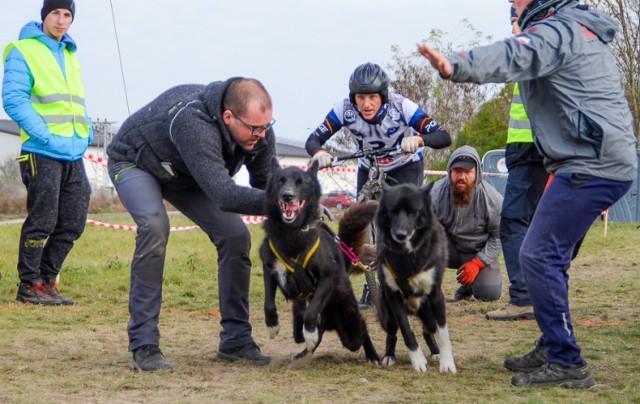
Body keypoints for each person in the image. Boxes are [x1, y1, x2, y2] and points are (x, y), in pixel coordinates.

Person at [418, 0, 637, 389]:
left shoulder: (556, 30)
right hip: (594, 158)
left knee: (537, 255)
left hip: (589, 163)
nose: (511, 6)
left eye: (515, 2)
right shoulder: (576, 26)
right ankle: (554, 344)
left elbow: (515, 51)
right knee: (552, 258)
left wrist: (458, 64)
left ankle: (567, 361)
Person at [106, 78, 277, 372]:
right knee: (155, 226)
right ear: (228, 117)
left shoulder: (258, 132)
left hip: (185, 174)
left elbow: (270, 185)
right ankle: (144, 344)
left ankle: (236, 341)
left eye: (266, 127)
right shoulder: (193, 123)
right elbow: (224, 195)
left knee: (235, 234)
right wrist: (281, 203)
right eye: (254, 129)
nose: (261, 136)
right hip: (136, 161)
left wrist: (298, 203)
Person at [305, 62, 452, 309]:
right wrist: (320, 152)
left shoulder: (402, 107)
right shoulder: (344, 110)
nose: (366, 104)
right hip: (369, 167)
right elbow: (314, 139)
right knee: (361, 226)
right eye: (361, 97)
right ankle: (370, 286)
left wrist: (418, 139)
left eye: (372, 97)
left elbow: (443, 137)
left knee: (399, 225)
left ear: (383, 97)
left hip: (405, 167)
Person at [2, 0, 92, 306]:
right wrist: (43, 133)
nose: (61, 20)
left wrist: (87, 130)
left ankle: (48, 280)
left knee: (74, 220)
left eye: (67, 14)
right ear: (44, 16)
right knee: (43, 219)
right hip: (41, 150)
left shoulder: (69, 53)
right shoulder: (22, 49)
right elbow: (13, 99)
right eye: (55, 13)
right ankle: (29, 285)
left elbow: (75, 101)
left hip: (73, 150)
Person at [485, 1, 548, 322]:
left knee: (512, 221)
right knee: (536, 221)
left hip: (532, 147)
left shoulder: (539, 41)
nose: (512, 23)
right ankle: (543, 294)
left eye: (517, 12)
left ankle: (525, 297)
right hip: (529, 146)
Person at [430, 145, 503, 302]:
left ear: (477, 173)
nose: (462, 177)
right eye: (457, 171)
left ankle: (470, 285)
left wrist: (477, 263)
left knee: (489, 294)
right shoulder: (434, 193)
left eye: (468, 172)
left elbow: (499, 236)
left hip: (476, 251)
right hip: (446, 248)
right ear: (449, 172)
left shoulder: (493, 199)